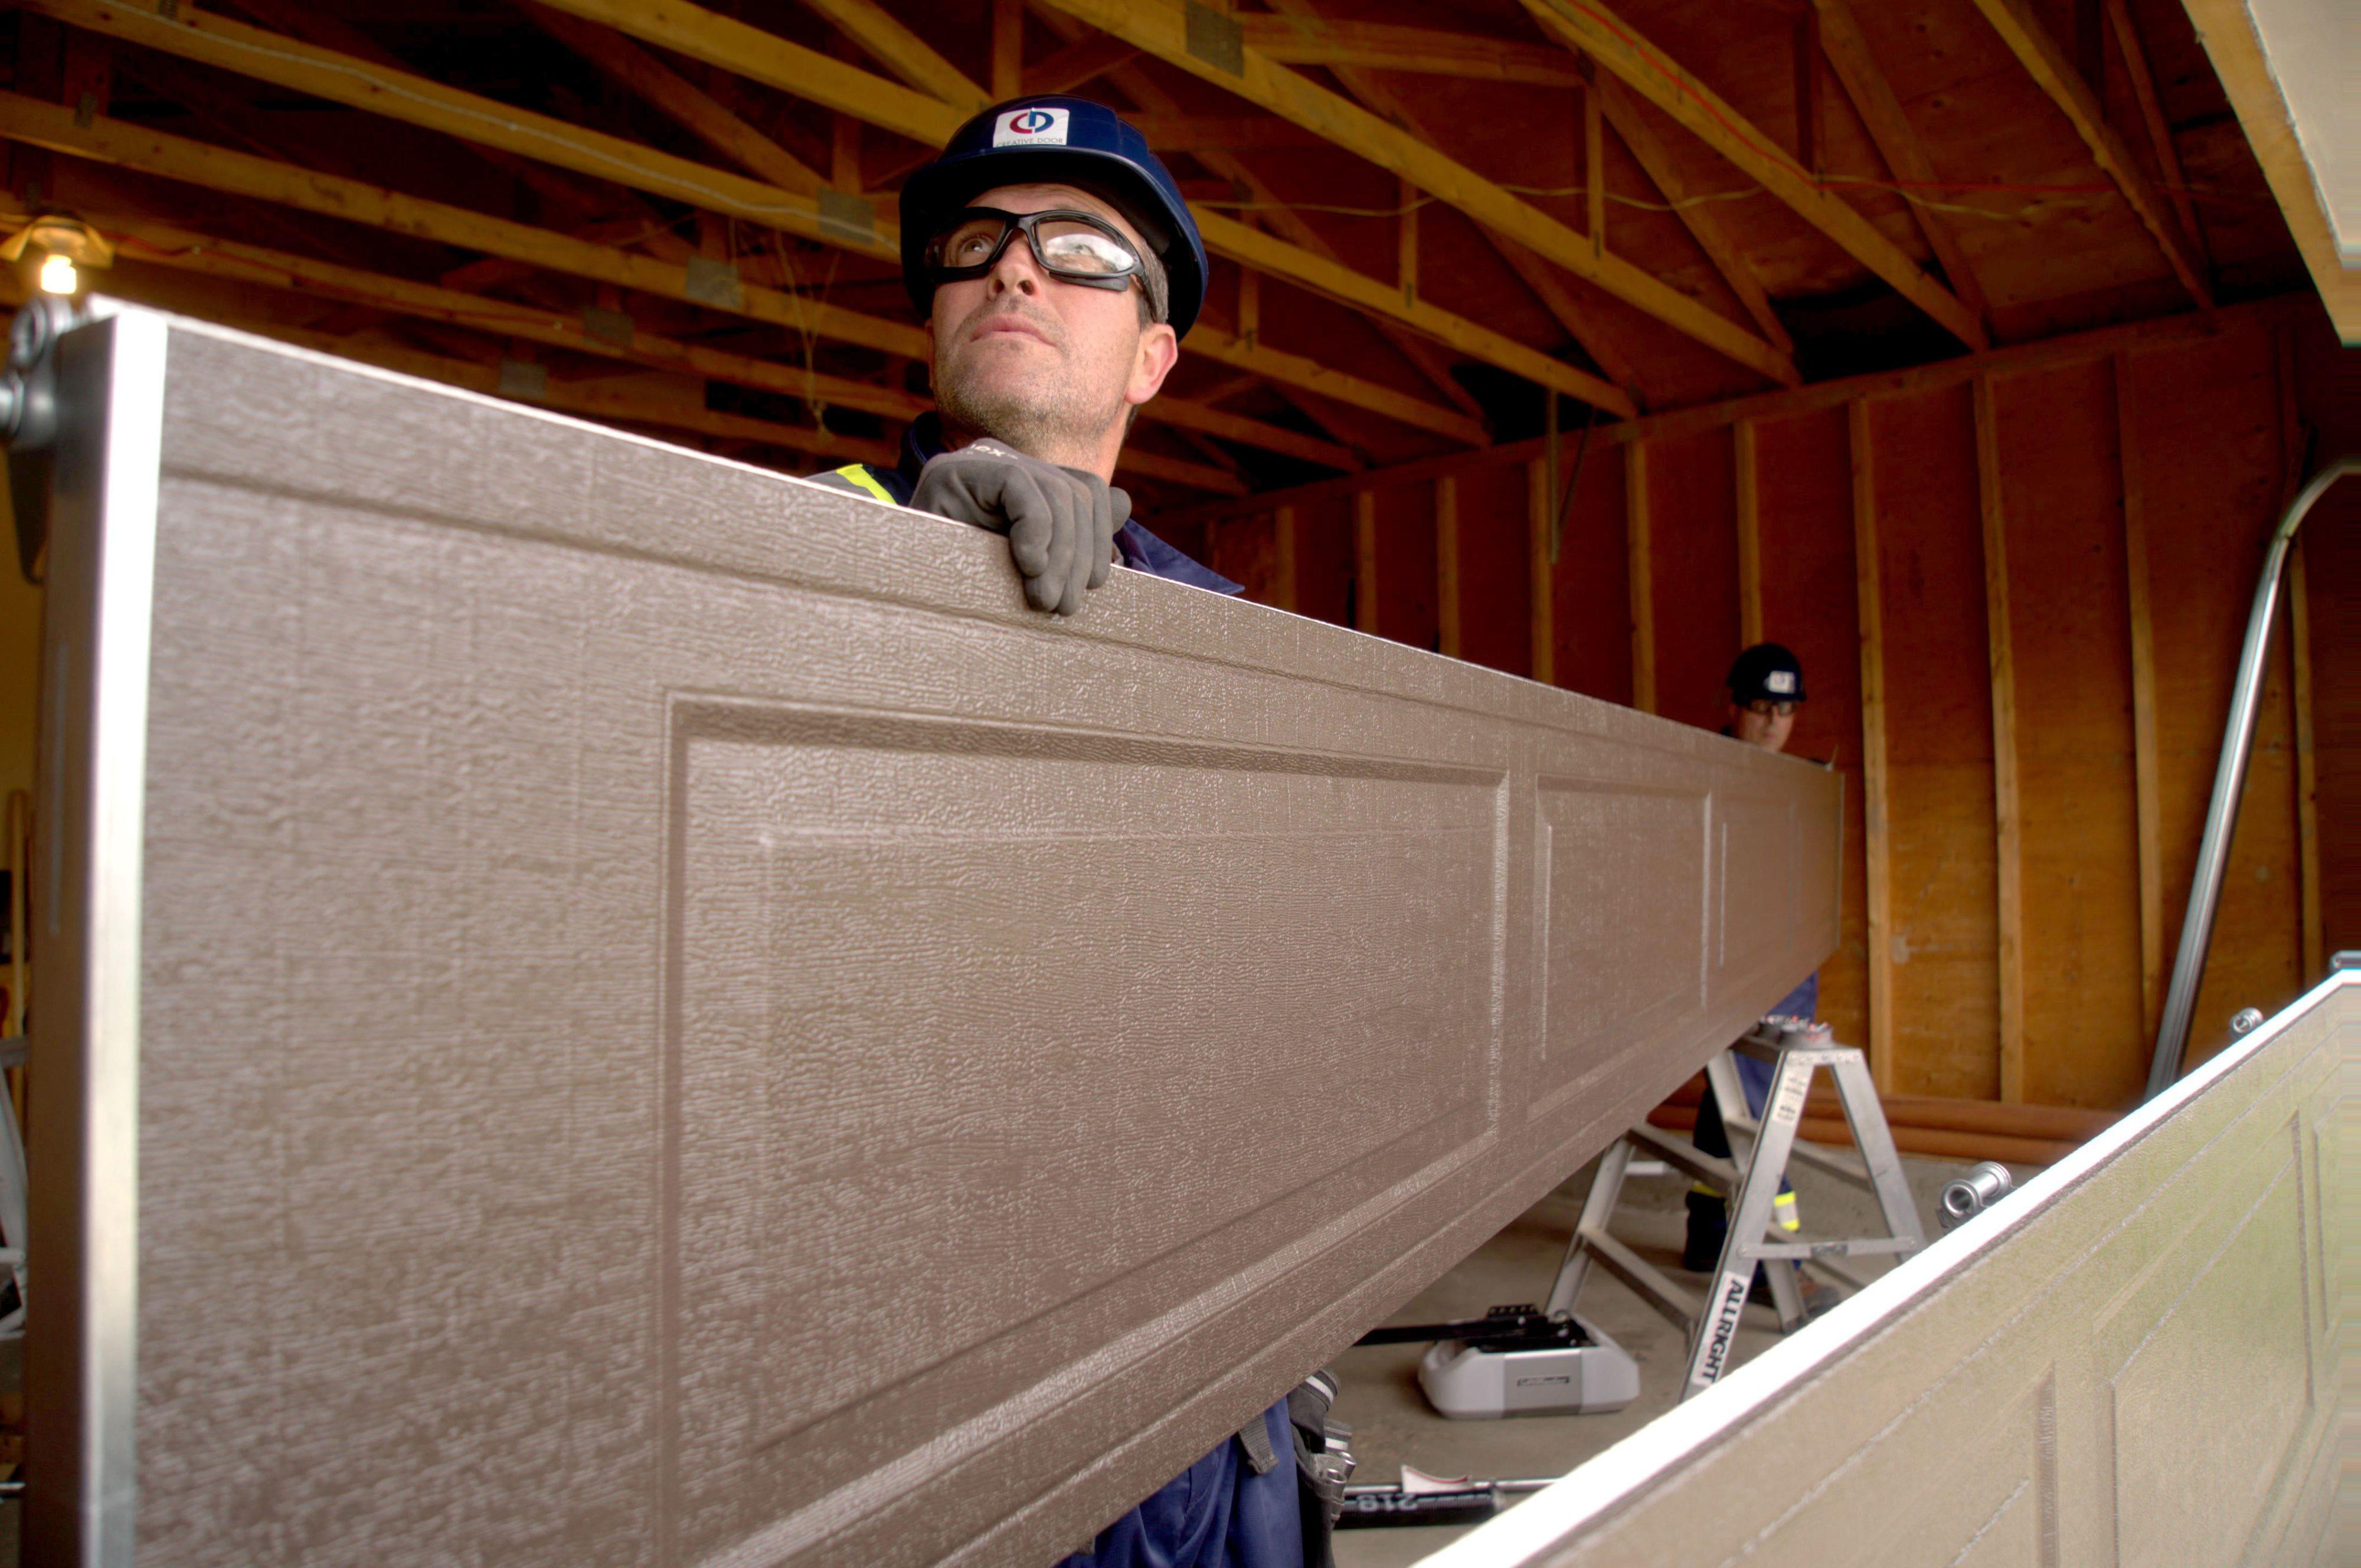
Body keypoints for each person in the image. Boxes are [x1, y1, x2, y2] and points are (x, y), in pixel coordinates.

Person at [811, 96, 1338, 1568]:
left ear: (1154, 356)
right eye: (974, 245)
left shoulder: (1226, 637)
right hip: (913, 1409)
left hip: (1200, 1411)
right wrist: (908, 572)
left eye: (1078, 248)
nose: (1014, 270)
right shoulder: (786, 544)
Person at [1682, 645, 1833, 1320]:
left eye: (1785, 710)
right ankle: (1782, 1263)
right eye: (1760, 708)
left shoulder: (1804, 784)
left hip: (1785, 972)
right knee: (1756, 1113)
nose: (1772, 723)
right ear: (1733, 706)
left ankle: (1708, 1229)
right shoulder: (1700, 772)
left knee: (1736, 1104)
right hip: (1726, 966)